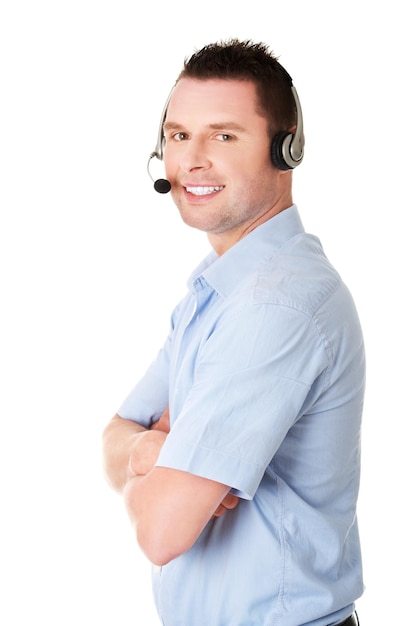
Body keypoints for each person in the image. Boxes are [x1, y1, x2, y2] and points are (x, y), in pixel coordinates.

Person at [102, 39, 365, 626]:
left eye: (223, 136)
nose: (192, 160)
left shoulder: (276, 307)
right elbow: (116, 436)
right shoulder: (218, 291)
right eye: (177, 135)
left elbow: (162, 532)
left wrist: (156, 478)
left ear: (287, 147)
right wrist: (152, 449)